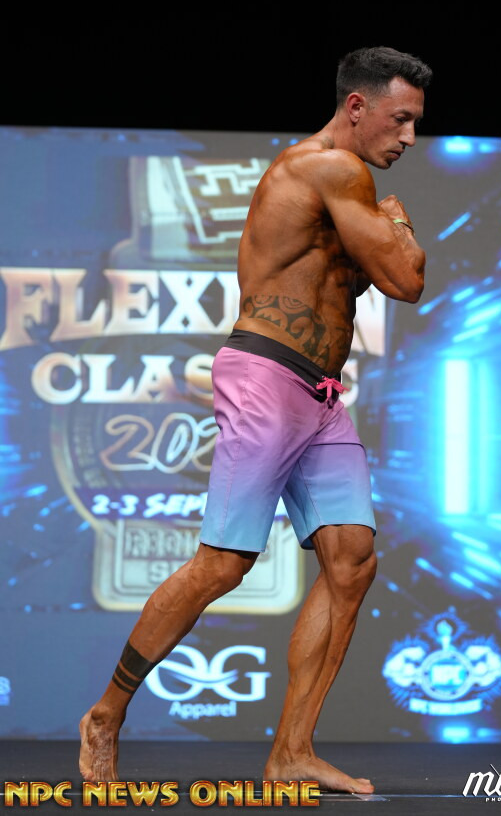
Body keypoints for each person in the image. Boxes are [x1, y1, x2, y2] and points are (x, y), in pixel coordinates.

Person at [79, 46, 431, 793]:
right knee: (224, 564)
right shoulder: (331, 170)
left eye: (415, 124)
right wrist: (399, 225)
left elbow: (377, 281)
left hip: (322, 394)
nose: (408, 137)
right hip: (269, 376)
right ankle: (107, 713)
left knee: (352, 561)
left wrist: (388, 233)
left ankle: (291, 752)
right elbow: (405, 280)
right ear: (357, 106)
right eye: (400, 119)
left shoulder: (342, 182)